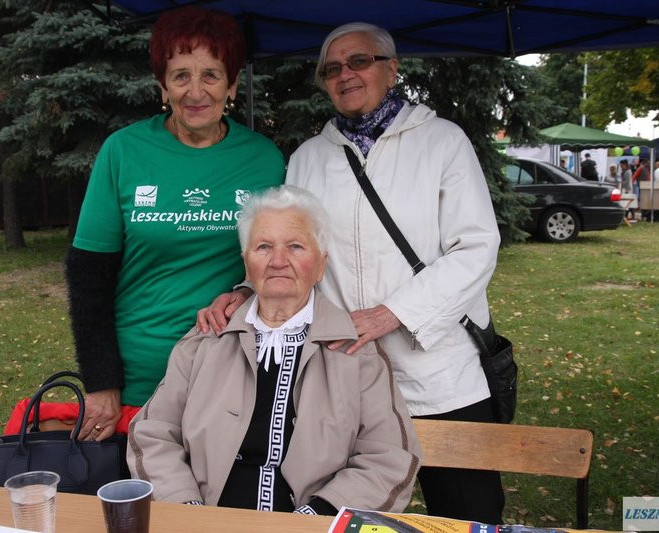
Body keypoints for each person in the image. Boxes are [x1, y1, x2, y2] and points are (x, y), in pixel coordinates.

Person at [198, 22, 504, 524]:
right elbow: (291, 248)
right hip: (343, 376)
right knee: (345, 513)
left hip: (440, 375)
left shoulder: (442, 142)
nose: (346, 74)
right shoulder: (308, 159)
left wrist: (392, 314)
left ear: (391, 68)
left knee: (466, 514)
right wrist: (244, 291)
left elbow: (475, 248)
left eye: (359, 61)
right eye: (332, 68)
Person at [128, 186, 421, 515]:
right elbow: (153, 435)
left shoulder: (357, 353)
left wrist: (316, 518)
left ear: (321, 263)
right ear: (247, 262)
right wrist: (189, 511)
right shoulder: (206, 340)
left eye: (295, 247)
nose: (278, 261)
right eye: (263, 247)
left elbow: (388, 458)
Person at [64, 6, 285, 442]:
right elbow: (88, 276)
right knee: (134, 507)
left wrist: (244, 291)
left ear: (232, 85)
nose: (195, 91)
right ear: (162, 86)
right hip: (134, 378)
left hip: (228, 372)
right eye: (181, 75)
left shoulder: (264, 160)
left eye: (211, 75)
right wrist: (102, 381)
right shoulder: (123, 152)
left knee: (209, 508)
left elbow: (276, 263)